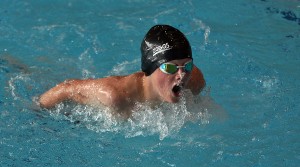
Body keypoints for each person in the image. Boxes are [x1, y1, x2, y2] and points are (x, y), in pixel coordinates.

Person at [39, 25, 206, 117]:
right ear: (150, 68)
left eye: (188, 65)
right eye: (170, 67)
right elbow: (68, 88)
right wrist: (38, 111)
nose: (182, 75)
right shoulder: (116, 97)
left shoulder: (195, 82)